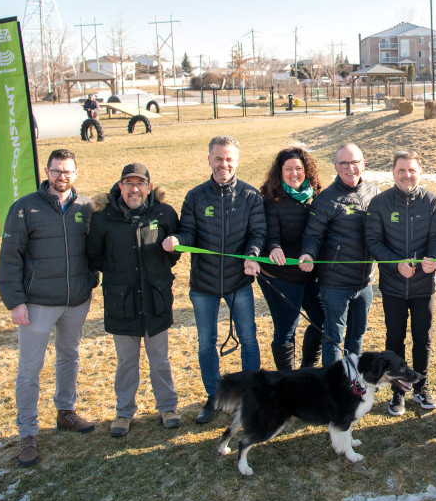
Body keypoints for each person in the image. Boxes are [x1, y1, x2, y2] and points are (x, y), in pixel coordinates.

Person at [0, 148, 99, 467]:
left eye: (67, 171)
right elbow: (10, 257)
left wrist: (90, 279)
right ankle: (27, 433)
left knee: (69, 355)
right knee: (29, 370)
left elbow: (93, 250)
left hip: (75, 301)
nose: (61, 176)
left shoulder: (85, 207)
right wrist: (15, 301)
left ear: (76, 173)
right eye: (56, 171)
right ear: (47, 171)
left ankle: (65, 412)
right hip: (37, 303)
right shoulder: (25, 208)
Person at [162, 136, 266, 424]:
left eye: (229, 159)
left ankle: (249, 396)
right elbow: (188, 233)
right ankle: (214, 397)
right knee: (206, 342)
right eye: (218, 158)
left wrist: (253, 254)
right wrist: (177, 240)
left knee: (248, 338)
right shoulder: (195, 196)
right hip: (203, 285)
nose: (224, 164)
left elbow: (257, 233)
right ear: (209, 160)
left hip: (239, 283)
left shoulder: (250, 195)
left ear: (237, 160)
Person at [87, 162, 182, 437]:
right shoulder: (103, 218)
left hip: (156, 298)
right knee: (127, 362)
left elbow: (173, 252)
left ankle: (168, 407)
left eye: (140, 183)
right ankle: (124, 412)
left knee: (160, 360)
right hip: (122, 301)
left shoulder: (164, 213)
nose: (134, 189)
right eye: (128, 184)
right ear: (120, 187)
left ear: (149, 187)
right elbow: (94, 256)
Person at [366, 150, 436, 415]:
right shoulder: (379, 204)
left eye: (412, 170)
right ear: (393, 172)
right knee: (395, 338)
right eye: (401, 170)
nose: (406, 175)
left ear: (420, 173)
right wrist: (395, 264)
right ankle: (398, 391)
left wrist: (434, 259)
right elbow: (374, 242)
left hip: (424, 287)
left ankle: (421, 386)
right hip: (392, 288)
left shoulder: (433, 203)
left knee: (422, 338)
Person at [299, 143, 379, 366]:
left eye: (354, 162)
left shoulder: (374, 193)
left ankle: (353, 380)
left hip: (365, 283)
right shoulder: (326, 199)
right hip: (335, 284)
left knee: (357, 336)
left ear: (363, 164)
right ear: (335, 166)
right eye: (343, 163)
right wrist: (308, 254)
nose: (349, 168)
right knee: (333, 337)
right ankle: (333, 387)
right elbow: (312, 235)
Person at [257, 146, 326, 371]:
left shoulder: (316, 195)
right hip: (281, 274)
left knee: (321, 319)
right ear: (280, 172)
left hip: (309, 273)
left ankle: (307, 370)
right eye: (288, 169)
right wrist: (274, 248)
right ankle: (286, 380)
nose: (294, 173)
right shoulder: (272, 199)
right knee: (286, 329)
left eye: (299, 168)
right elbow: (271, 235)